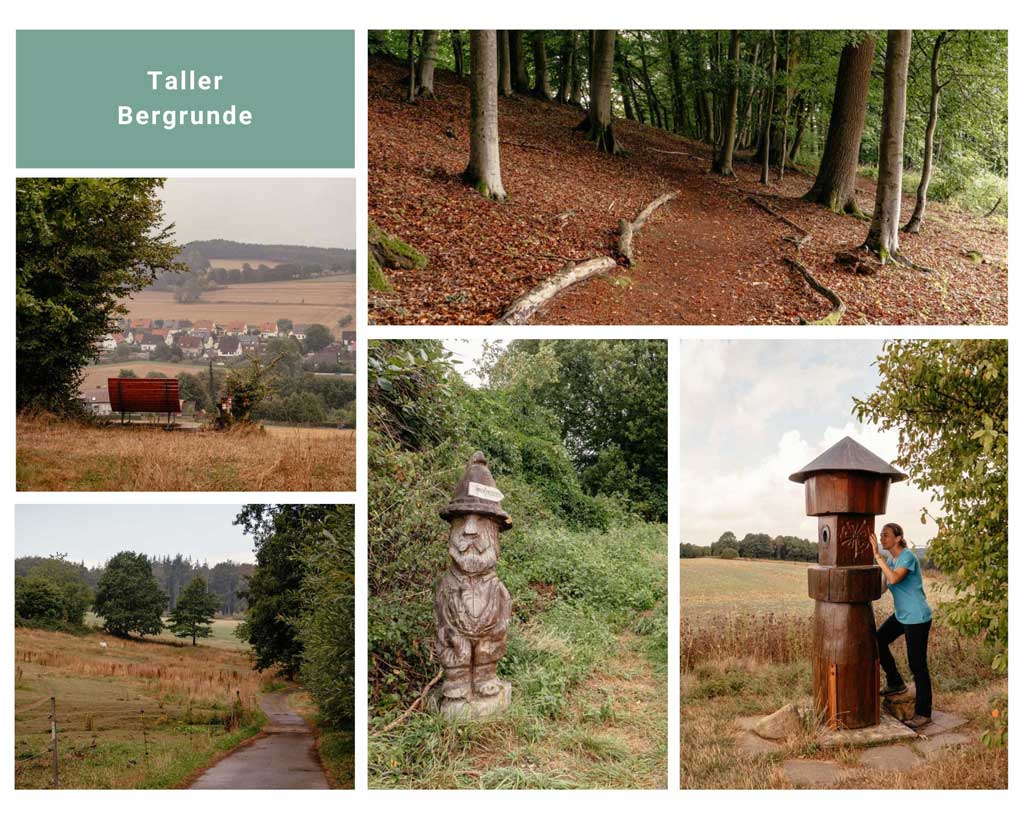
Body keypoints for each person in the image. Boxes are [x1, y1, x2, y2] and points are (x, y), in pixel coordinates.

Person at [870, 522, 933, 729]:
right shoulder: (891, 559)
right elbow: (882, 588)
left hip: (917, 617)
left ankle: (923, 713)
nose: (882, 538)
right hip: (902, 615)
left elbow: (894, 579)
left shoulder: (907, 557)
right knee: (878, 640)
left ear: (898, 538)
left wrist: (877, 557)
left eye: (886, 535)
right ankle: (895, 682)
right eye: (881, 535)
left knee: (917, 665)